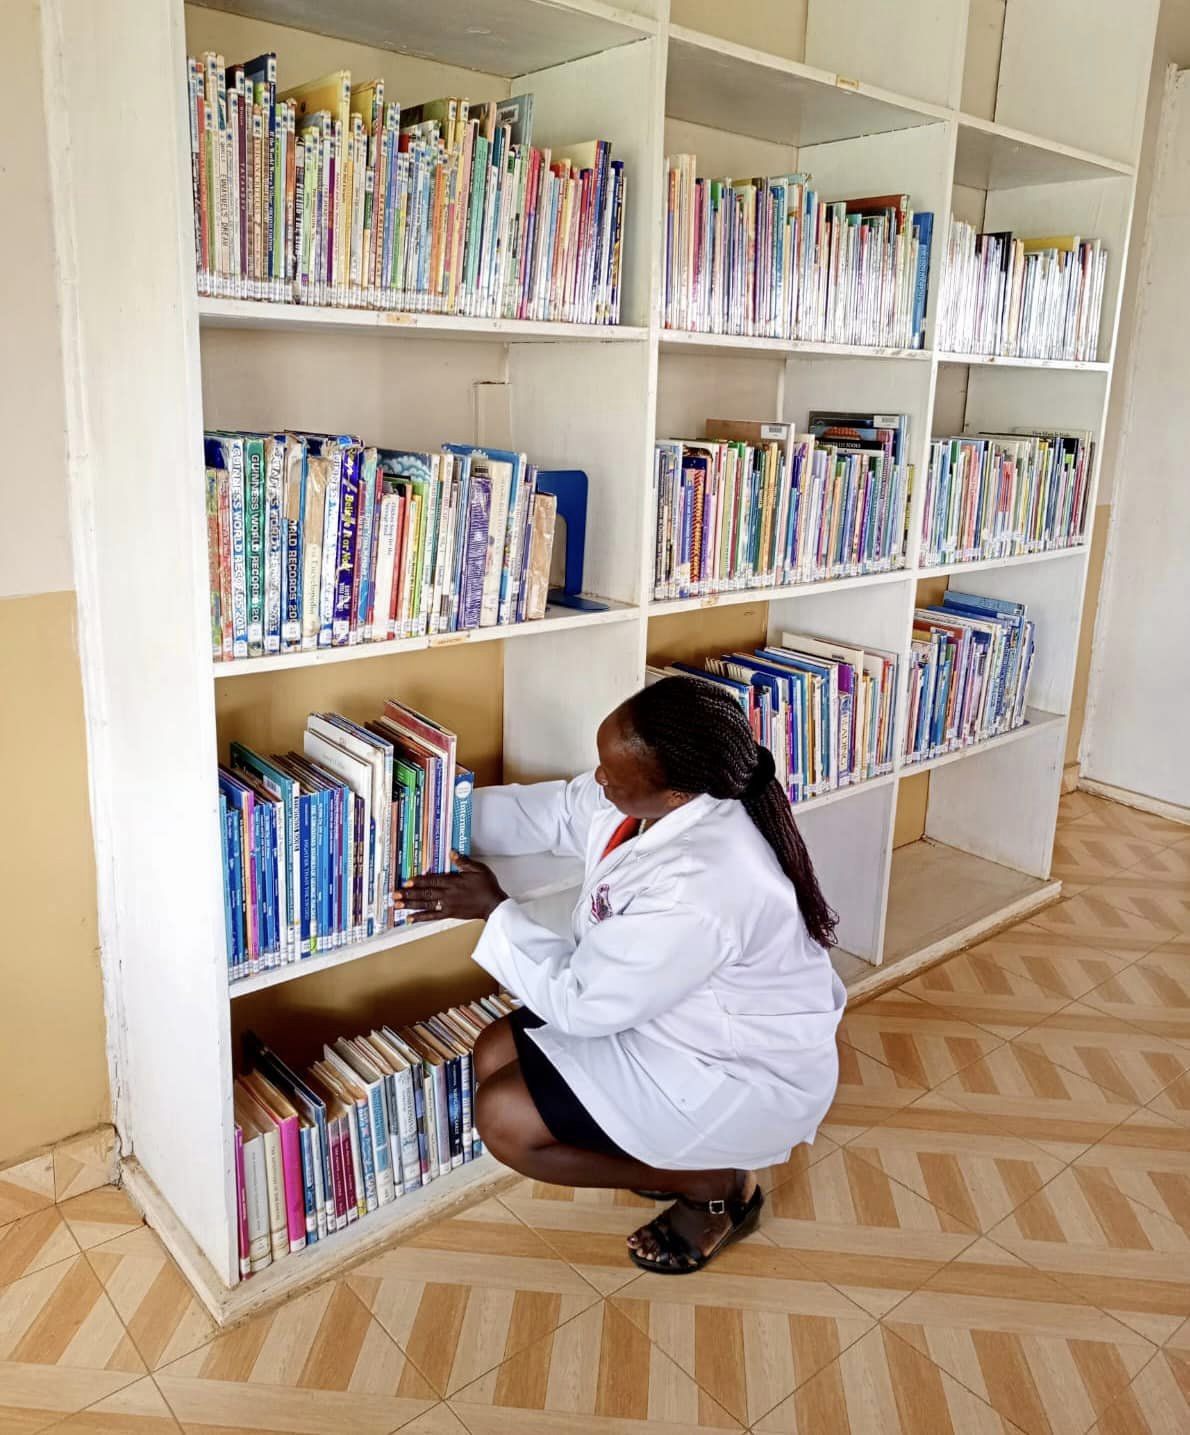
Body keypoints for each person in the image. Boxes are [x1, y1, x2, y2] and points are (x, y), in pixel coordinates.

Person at [395, 674, 846, 1273]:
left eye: (613, 774)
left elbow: (583, 1003)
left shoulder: (704, 883)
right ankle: (671, 1156)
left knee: (504, 1121)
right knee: (492, 1052)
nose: (599, 779)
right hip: (664, 1014)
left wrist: (493, 908)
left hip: (733, 1070)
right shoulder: (659, 798)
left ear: (675, 793)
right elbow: (558, 811)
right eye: (602, 763)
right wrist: (425, 818)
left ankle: (709, 1182)